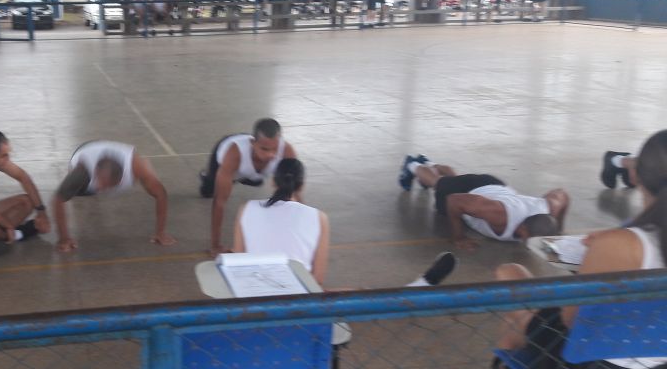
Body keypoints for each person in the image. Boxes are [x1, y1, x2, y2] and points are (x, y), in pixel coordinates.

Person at [448, 130, 667, 369]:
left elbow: (570, 319)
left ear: (636, 176)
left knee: (512, 277)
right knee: (527, 309)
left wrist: (598, 256)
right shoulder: (628, 240)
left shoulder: (623, 244)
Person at [236, 158, 457, 290]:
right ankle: (418, 288)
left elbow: (236, 267)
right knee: (358, 295)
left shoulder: (246, 209)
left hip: (249, 300)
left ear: (273, 182)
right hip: (298, 303)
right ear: (301, 186)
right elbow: (317, 280)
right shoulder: (318, 218)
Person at [398, 154, 568, 251]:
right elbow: (454, 200)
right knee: (437, 184)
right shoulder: (498, 215)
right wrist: (458, 237)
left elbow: (562, 195)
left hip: (497, 189)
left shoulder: (549, 208)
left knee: (453, 180)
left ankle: (429, 163)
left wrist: (559, 227)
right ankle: (412, 164)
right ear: (522, 229)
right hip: (474, 188)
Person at [53, 140, 175, 252]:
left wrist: (160, 232)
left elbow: (161, 194)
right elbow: (58, 199)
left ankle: (142, 174)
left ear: (119, 181)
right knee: (75, 190)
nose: (100, 187)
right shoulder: (82, 171)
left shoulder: (137, 168)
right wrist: (64, 238)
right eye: (99, 181)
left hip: (113, 155)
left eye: (105, 185)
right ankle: (89, 182)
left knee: (149, 177)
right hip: (85, 151)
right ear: (96, 172)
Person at [199, 118, 297, 256]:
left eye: (274, 149)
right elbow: (220, 202)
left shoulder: (287, 152)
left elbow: (294, 193)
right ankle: (208, 177)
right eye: (264, 149)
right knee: (209, 190)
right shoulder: (233, 154)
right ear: (252, 143)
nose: (270, 154)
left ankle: (238, 177)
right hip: (226, 156)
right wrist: (215, 245)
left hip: (251, 172)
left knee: (257, 181)